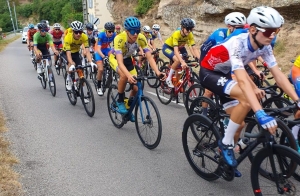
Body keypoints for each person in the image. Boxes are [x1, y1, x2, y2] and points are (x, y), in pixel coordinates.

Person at [199, 6, 300, 169]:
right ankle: (225, 144)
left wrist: (297, 100)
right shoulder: (237, 43)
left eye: (276, 31)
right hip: (209, 72)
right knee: (246, 99)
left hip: (224, 74)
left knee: (238, 124)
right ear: (253, 29)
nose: (272, 36)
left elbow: (279, 76)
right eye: (268, 32)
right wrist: (260, 113)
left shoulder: (265, 46)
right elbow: (242, 80)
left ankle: (224, 153)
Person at [109, 16, 165, 121]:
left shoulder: (141, 38)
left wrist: (157, 72)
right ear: (126, 31)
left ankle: (128, 109)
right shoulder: (119, 38)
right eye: (132, 31)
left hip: (128, 59)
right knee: (124, 76)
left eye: (137, 31)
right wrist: (129, 76)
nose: (135, 34)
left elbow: (149, 56)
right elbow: (120, 63)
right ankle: (120, 100)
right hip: (116, 58)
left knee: (136, 88)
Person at [162, 18, 200, 88]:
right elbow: (176, 51)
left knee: (185, 59)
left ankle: (176, 81)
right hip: (168, 47)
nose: (189, 31)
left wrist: (199, 59)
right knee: (177, 60)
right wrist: (182, 61)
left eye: (191, 29)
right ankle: (168, 78)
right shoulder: (176, 34)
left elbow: (194, 48)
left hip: (180, 47)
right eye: (187, 29)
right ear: (182, 28)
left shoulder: (189, 34)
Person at [62, 21, 96, 91]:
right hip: (67, 52)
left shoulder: (84, 36)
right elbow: (68, 54)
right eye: (76, 32)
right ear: (73, 31)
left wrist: (91, 62)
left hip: (76, 53)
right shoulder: (68, 37)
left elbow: (87, 51)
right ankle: (68, 79)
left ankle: (82, 91)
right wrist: (71, 63)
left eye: (80, 32)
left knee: (80, 70)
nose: (78, 34)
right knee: (71, 65)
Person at [94, 22, 116, 96]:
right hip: (99, 51)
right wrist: (104, 57)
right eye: (109, 31)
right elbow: (98, 49)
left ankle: (110, 73)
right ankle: (99, 86)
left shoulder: (114, 35)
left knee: (114, 57)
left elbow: (115, 46)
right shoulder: (101, 35)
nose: (111, 33)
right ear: (106, 31)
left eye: (113, 31)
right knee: (100, 69)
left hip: (106, 49)